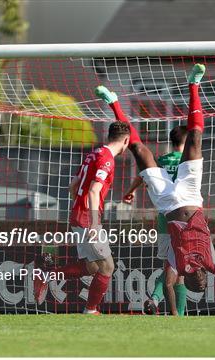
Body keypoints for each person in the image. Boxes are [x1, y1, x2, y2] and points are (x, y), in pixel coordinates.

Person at [96, 64, 215, 316]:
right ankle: (194, 85)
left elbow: (168, 285)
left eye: (195, 286)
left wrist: (173, 319)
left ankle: (114, 103)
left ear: (188, 280)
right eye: (202, 284)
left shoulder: (177, 265)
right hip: (191, 195)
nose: (200, 283)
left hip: (166, 203)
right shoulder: (212, 261)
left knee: (139, 150)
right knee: (195, 138)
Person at [34, 121, 131, 315]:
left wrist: (80, 209)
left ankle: (47, 274)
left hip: (78, 215)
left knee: (92, 266)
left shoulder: (94, 154)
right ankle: (91, 310)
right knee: (107, 267)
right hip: (88, 218)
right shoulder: (107, 159)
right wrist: (94, 223)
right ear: (126, 141)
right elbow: (94, 191)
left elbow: (73, 185)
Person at [122, 125, 189, 316]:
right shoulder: (187, 160)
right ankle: (180, 314)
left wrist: (130, 191)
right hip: (183, 217)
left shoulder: (161, 160)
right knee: (180, 270)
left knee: (169, 265)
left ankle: (155, 299)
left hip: (163, 218)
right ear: (187, 140)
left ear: (172, 141)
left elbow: (144, 175)